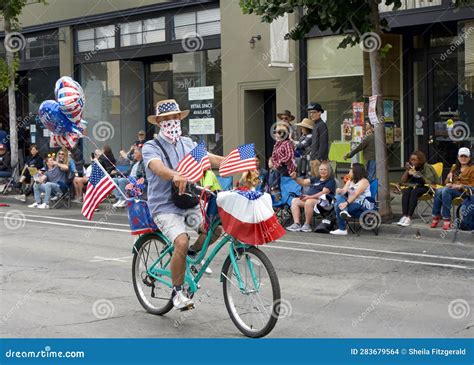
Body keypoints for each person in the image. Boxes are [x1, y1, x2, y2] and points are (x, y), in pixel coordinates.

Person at [142, 99, 224, 310]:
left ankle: (190, 260)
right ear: (159, 122)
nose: (172, 121)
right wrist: (175, 175)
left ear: (180, 118)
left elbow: (208, 158)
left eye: (175, 117)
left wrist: (237, 163)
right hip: (164, 206)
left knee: (215, 229)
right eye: (167, 119)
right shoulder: (151, 146)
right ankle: (178, 293)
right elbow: (158, 167)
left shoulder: (187, 143)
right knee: (181, 241)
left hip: (188, 201)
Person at [431, 147, 474, 230]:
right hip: (452, 191)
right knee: (440, 190)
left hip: (466, 193)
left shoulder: (472, 168)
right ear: (458, 157)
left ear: (469, 158)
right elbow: (446, 183)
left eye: (465, 157)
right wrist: (448, 178)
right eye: (461, 156)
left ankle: (446, 218)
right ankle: (436, 215)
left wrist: (460, 186)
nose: (463, 158)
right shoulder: (455, 167)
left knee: (445, 191)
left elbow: (473, 185)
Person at [286, 162, 336, 232]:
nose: (323, 171)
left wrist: (309, 197)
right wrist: (295, 178)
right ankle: (296, 224)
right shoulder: (316, 178)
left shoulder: (330, 181)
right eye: (321, 169)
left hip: (324, 204)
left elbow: (323, 193)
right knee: (294, 201)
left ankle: (307, 225)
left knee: (309, 202)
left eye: (325, 170)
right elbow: (303, 182)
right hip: (312, 201)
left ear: (329, 171)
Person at [396, 151, 440, 227]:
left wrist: (420, 175)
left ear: (420, 160)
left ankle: (409, 217)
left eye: (414, 160)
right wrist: (407, 171)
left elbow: (431, 182)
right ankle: (404, 216)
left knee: (414, 192)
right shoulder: (411, 167)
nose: (412, 162)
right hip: (414, 186)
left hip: (426, 188)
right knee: (406, 191)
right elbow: (403, 181)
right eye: (411, 160)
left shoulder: (426, 167)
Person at [330, 163, 372, 236]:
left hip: (362, 205)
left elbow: (356, 194)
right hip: (351, 204)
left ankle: (342, 229)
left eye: (351, 169)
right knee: (338, 197)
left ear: (356, 171)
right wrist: (339, 191)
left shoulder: (364, 181)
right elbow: (344, 191)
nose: (349, 170)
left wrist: (346, 203)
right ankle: (344, 213)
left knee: (338, 205)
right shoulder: (350, 181)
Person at [268, 122, 296, 190]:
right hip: (277, 168)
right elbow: (274, 155)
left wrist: (279, 162)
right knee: (273, 186)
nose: (275, 134)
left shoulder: (287, 143)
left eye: (278, 132)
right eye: (274, 132)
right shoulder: (277, 144)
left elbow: (289, 156)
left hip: (284, 169)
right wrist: (272, 162)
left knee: (282, 187)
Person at [308, 102, 328, 178]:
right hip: (313, 158)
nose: (311, 115)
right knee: (314, 181)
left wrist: (319, 158)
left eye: (313, 112)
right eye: (310, 113)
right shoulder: (316, 125)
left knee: (320, 181)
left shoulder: (322, 125)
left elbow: (323, 143)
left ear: (319, 113)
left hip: (318, 159)